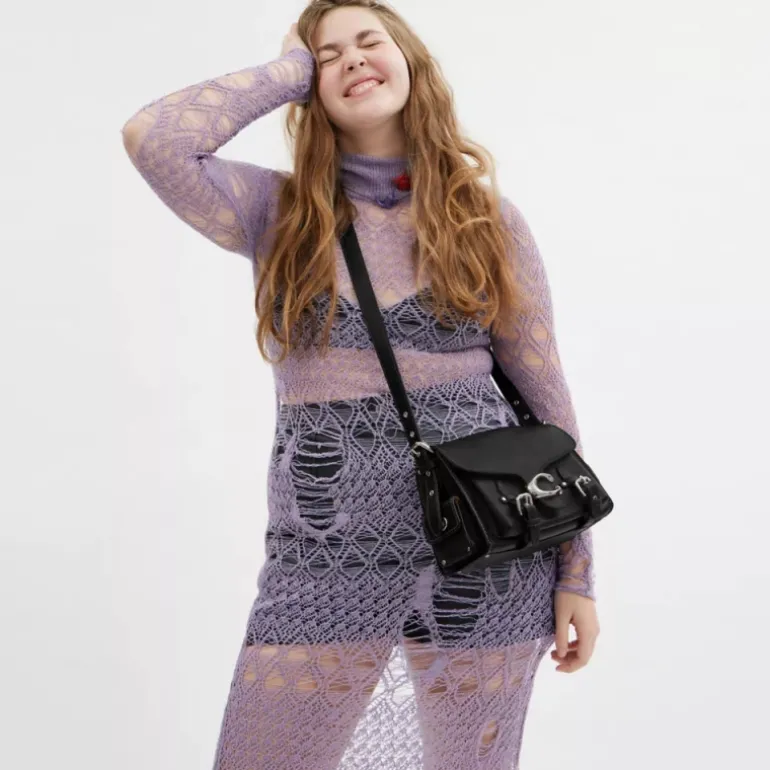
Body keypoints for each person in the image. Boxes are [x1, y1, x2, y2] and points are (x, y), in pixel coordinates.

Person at [121, 1, 600, 768]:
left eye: (369, 42)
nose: (351, 59)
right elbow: (153, 137)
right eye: (327, 55)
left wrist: (578, 572)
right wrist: (288, 70)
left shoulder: (485, 219)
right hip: (324, 556)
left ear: (411, 61)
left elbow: (548, 406)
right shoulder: (276, 212)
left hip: (490, 548)